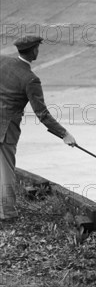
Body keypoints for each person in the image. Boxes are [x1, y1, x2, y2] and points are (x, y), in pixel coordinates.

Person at [0, 36, 76, 222]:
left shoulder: (3, 60)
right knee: (5, 170)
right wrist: (64, 134)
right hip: (6, 128)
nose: (38, 52)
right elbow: (42, 114)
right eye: (37, 49)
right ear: (33, 51)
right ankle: (7, 213)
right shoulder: (31, 79)